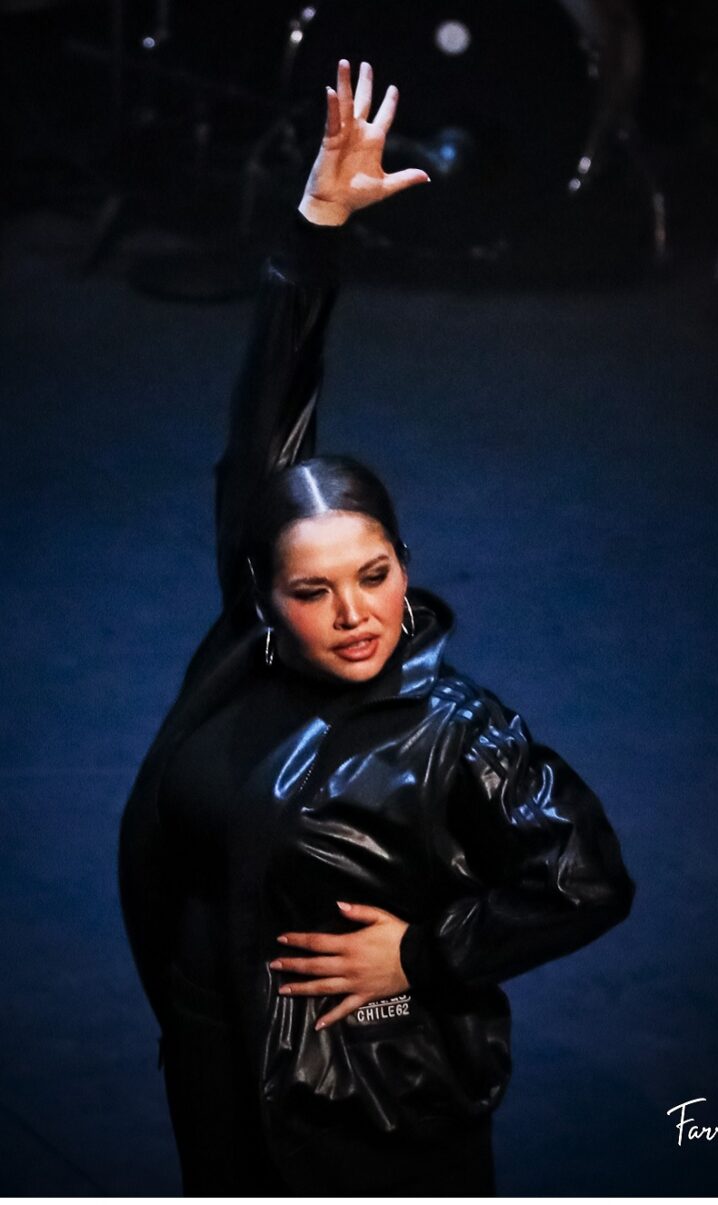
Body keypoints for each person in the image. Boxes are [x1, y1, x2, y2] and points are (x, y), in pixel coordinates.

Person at [118, 58, 636, 1198]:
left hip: (367, 1105)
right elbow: (267, 422)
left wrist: (422, 952)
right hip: (214, 1067)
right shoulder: (242, 652)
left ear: (405, 563)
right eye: (313, 590)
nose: (355, 613)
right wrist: (314, 227)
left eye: (377, 574)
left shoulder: (454, 728)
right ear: (262, 592)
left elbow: (588, 879)